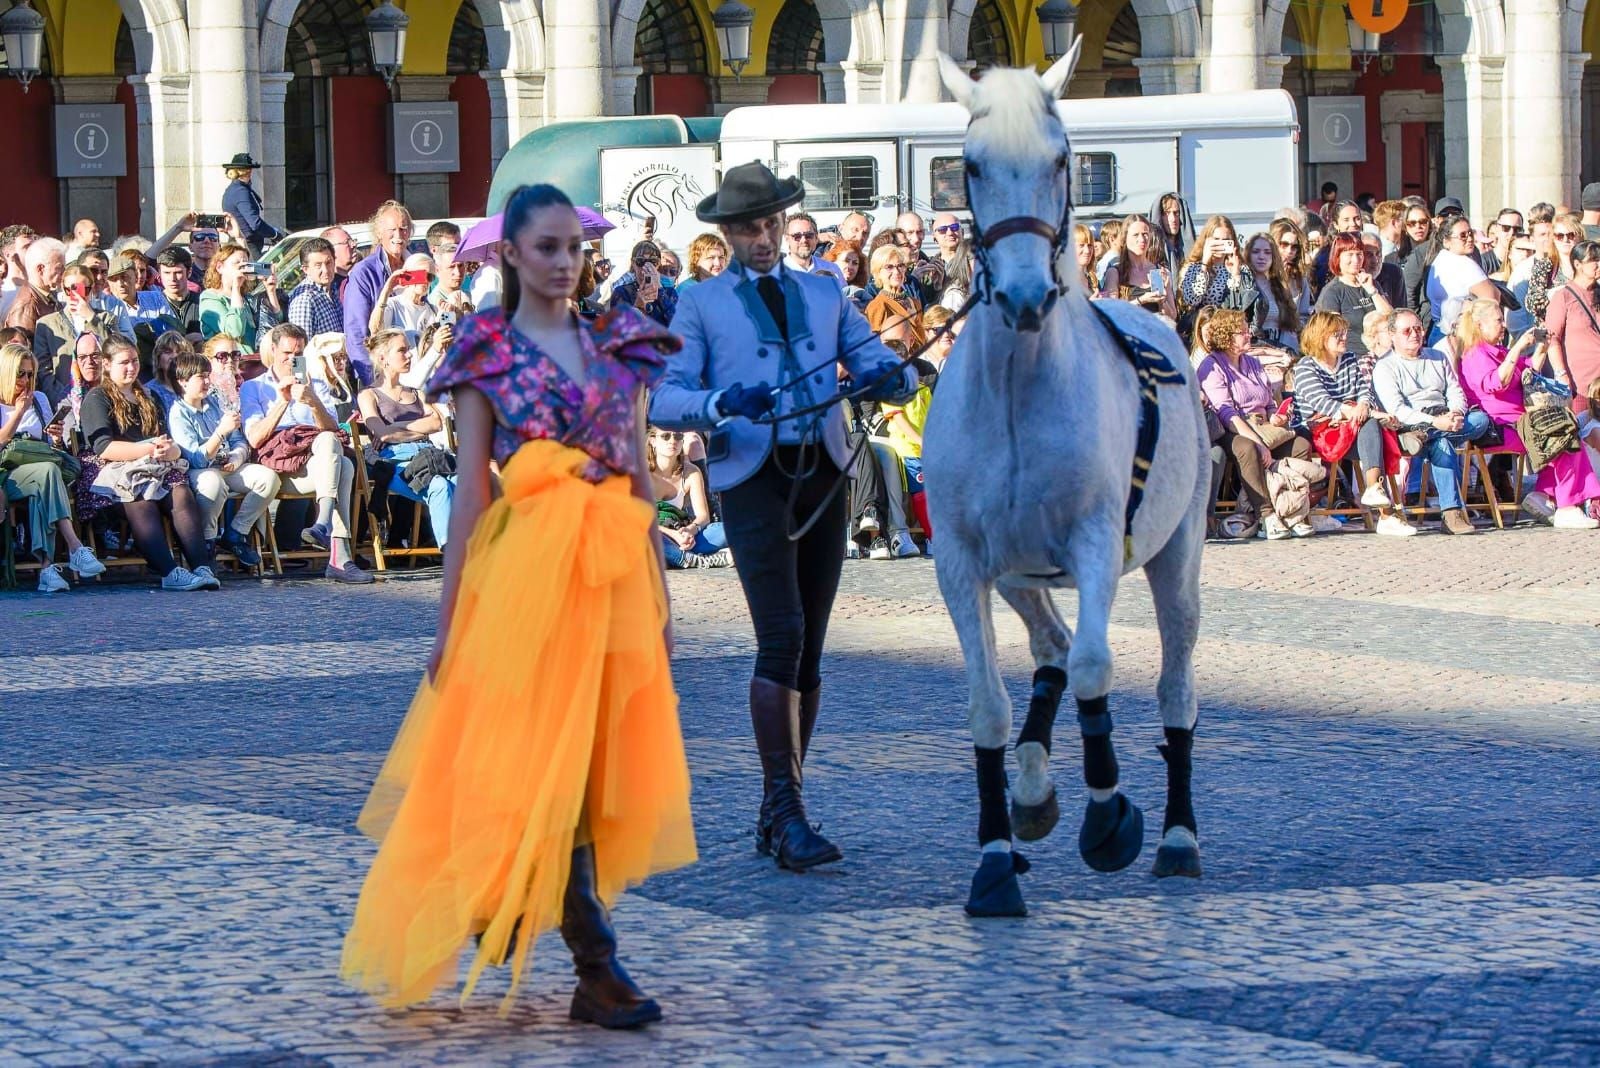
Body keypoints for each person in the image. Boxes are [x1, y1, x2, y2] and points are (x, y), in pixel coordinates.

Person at [341, 182, 695, 1027]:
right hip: (524, 579)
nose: (565, 262)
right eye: (547, 247)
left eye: (574, 247)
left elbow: (641, 477)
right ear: (510, 255)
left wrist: (661, 597)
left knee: (589, 766)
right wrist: (449, 618)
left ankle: (518, 902)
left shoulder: (621, 343)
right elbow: (468, 497)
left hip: (611, 580)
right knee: (542, 767)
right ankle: (595, 964)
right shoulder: (485, 350)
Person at [650, 161, 915, 872]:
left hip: (824, 476)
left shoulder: (825, 291)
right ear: (727, 233)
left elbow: (868, 358)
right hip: (753, 477)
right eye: (747, 228)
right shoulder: (700, 303)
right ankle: (784, 808)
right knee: (782, 634)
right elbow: (665, 399)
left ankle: (784, 804)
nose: (763, 238)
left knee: (813, 646)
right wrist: (721, 402)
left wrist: (896, 373)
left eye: (770, 224)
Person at [79, 334, 219, 589]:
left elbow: (168, 439)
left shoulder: (148, 396)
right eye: (124, 362)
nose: (131, 367)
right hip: (113, 469)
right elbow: (104, 447)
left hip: (153, 464)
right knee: (139, 497)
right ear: (107, 364)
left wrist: (171, 451)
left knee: (180, 491)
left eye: (134, 361)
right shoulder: (97, 398)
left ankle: (201, 566)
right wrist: (146, 449)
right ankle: (169, 572)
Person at [240, 322, 372, 583]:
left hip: (314, 463)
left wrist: (312, 401)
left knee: (334, 450)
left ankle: (324, 526)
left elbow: (334, 429)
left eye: (297, 354)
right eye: (286, 353)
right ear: (274, 351)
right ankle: (338, 554)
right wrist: (283, 401)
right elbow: (255, 439)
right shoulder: (254, 387)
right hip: (278, 466)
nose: (292, 359)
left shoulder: (315, 384)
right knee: (341, 466)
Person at [1457, 299, 1599, 529]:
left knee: (1568, 431)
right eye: (1498, 321)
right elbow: (1497, 383)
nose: (1503, 325)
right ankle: (1565, 505)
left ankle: (1544, 494)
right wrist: (1518, 346)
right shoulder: (1476, 354)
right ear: (1480, 325)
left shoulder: (1500, 350)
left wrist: (1543, 345)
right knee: (1560, 437)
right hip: (1499, 427)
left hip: (1522, 423)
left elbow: (1529, 370)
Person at [1195, 308, 1316, 540]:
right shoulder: (1211, 366)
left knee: (1300, 444)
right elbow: (1225, 412)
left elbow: (1268, 400)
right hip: (1232, 429)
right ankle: (1266, 515)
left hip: (1263, 426)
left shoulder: (1253, 363)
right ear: (1226, 336)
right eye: (1241, 332)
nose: (1249, 334)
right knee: (1247, 448)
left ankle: (1291, 510)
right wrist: (1258, 442)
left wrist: (1276, 416)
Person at [1291, 311, 1413, 536]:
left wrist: (1364, 405)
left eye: (1344, 333)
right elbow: (1321, 402)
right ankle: (1383, 511)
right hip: (1319, 430)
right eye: (1337, 334)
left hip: (1352, 427)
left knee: (1374, 431)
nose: (1344, 337)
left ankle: (1376, 493)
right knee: (1373, 429)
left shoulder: (1348, 359)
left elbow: (1363, 389)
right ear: (1320, 337)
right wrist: (1355, 411)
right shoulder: (1305, 367)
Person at [1371, 308, 1490, 535]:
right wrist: (1434, 422)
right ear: (1393, 334)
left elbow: (1455, 391)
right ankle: (1452, 514)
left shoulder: (1437, 357)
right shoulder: (1385, 366)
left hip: (1442, 420)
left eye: (1418, 328)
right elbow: (1398, 410)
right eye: (1407, 331)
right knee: (1442, 446)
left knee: (1481, 420)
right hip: (1409, 425)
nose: (1415, 334)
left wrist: (1455, 413)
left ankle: (1429, 436)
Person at [0, 344, 106, 591]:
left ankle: (48, 568)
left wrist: (55, 437)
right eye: (20, 374)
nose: (26, 380)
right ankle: (75, 547)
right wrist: (18, 414)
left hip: (38, 468)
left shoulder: (38, 399)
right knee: (48, 473)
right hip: (7, 473)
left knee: (45, 480)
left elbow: (48, 444)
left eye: (30, 374)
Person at [166, 350, 277, 565]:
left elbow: (238, 440)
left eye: (208, 375)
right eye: (201, 377)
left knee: (268, 478)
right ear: (183, 382)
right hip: (200, 470)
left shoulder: (215, 404)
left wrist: (237, 457)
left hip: (227, 464)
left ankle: (236, 532)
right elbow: (195, 459)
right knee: (212, 483)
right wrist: (220, 433)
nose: (208, 381)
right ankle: (207, 541)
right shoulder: (178, 412)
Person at [356, 329, 456, 552]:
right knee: (439, 485)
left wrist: (396, 427)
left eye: (408, 349)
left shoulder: (415, 392)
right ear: (383, 358)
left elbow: (436, 423)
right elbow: (382, 434)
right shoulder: (369, 395)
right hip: (395, 462)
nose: (409, 355)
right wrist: (411, 429)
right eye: (402, 350)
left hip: (430, 458)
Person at [345, 201, 415, 384]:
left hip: (416, 369)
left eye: (404, 229)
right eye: (392, 230)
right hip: (381, 376)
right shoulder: (364, 272)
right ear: (379, 233)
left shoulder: (416, 267)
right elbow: (356, 334)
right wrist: (373, 380)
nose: (399, 236)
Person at [34, 264, 118, 406]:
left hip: (104, 397)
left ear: (91, 289)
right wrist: (61, 398)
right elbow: (43, 370)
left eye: (84, 289)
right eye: (70, 289)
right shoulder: (47, 324)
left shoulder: (106, 319)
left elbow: (115, 353)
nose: (77, 295)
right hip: (64, 399)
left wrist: (91, 318)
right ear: (63, 288)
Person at [648, 426, 731, 567]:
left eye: (678, 436)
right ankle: (699, 560)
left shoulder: (691, 472)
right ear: (653, 441)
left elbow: (703, 517)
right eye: (665, 436)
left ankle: (678, 557)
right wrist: (673, 535)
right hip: (656, 535)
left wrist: (689, 531)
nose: (672, 441)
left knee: (727, 530)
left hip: (683, 534)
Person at [1423, 214, 1501, 342]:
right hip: (1460, 336)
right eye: (1463, 236)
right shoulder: (1464, 264)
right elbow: (1492, 298)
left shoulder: (1437, 259)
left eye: (1470, 233)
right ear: (1446, 241)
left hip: (1437, 334)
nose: (1469, 239)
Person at [1543, 239, 1600, 415]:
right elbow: (1552, 339)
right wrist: (1561, 374)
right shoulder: (1563, 297)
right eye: (1594, 260)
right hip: (1581, 384)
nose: (1599, 264)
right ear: (1578, 264)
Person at [1178, 214, 1258, 339]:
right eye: (1216, 239)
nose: (1221, 244)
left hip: (1232, 333)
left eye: (1226, 240)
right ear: (1207, 240)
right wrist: (1204, 264)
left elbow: (1247, 305)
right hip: (1203, 333)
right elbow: (1191, 299)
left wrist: (1236, 275)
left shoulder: (1242, 268)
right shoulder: (1194, 267)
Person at [1315, 233, 1394, 357]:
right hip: (1353, 357)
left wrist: (1372, 290)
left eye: (1359, 254)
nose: (1356, 260)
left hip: (1382, 353)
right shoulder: (1332, 292)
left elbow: (1390, 317)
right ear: (1338, 257)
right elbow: (1330, 335)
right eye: (1350, 255)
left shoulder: (1372, 284)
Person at [199, 243, 280, 352]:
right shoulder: (210, 298)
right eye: (237, 263)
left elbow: (277, 321)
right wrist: (236, 288)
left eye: (246, 264)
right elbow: (234, 332)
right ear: (219, 267)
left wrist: (271, 291)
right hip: (229, 361)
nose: (242, 268)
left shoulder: (247, 298)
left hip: (255, 361)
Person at [1100, 214, 1176, 319]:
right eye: (1136, 235)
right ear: (1125, 239)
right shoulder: (1115, 272)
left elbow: (1172, 317)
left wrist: (1162, 299)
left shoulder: (1158, 271)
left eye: (1145, 234)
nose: (1142, 239)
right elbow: (1112, 313)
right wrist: (1141, 300)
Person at [220, 153, 285, 257]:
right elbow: (255, 223)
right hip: (247, 245)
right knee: (255, 272)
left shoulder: (233, 189)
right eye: (248, 170)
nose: (250, 173)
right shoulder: (240, 191)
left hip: (240, 242)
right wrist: (275, 234)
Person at [1526, 212, 1584, 325]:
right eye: (1560, 236)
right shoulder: (1545, 266)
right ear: (1553, 238)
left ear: (1580, 236)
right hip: (1551, 331)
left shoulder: (1590, 264)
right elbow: (1532, 303)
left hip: (1583, 331)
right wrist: (1556, 292)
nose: (1566, 240)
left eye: (1571, 235)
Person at [1244, 231, 1300, 350]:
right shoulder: (1243, 284)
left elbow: (1291, 323)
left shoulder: (1279, 286)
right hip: (1253, 349)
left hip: (1280, 348)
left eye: (1267, 252)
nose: (1261, 256)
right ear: (1248, 255)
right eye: (1256, 251)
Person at [368, 251, 438, 343]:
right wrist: (386, 290)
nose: (425, 280)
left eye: (430, 277)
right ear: (407, 274)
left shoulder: (433, 310)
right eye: (421, 275)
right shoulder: (392, 304)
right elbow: (375, 330)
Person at [864, 245, 926, 348]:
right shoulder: (877, 306)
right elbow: (874, 346)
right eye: (889, 267)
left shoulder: (915, 302)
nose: (896, 272)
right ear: (878, 273)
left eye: (900, 266)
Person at [607, 240, 677, 326]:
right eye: (640, 261)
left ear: (658, 264)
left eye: (652, 261)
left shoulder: (670, 293)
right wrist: (638, 306)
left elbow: (678, 325)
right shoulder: (621, 292)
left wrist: (659, 289)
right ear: (633, 263)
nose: (646, 266)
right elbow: (619, 329)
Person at [5, 237, 64, 334]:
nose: (63, 272)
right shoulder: (26, 307)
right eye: (59, 268)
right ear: (41, 269)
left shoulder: (48, 296)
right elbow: (23, 347)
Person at [287, 237, 344, 337]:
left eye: (328, 262)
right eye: (318, 265)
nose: (325, 270)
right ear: (306, 269)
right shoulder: (304, 300)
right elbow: (302, 346)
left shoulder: (333, 289)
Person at [783, 212, 845, 283]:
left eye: (809, 235)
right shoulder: (776, 273)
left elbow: (843, 293)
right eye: (797, 236)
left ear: (816, 238)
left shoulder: (831, 269)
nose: (804, 240)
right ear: (787, 239)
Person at [930, 212, 973, 309]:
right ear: (934, 237)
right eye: (942, 230)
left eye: (954, 227)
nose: (949, 232)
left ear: (962, 231)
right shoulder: (930, 266)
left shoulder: (972, 258)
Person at [1150, 191, 1196, 269]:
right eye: (1166, 213)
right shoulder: (1150, 255)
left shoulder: (1192, 251)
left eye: (1176, 213)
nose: (1173, 219)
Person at [824, 238, 869, 303]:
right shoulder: (820, 287)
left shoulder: (862, 294)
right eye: (846, 261)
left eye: (855, 263)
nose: (850, 266)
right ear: (833, 261)